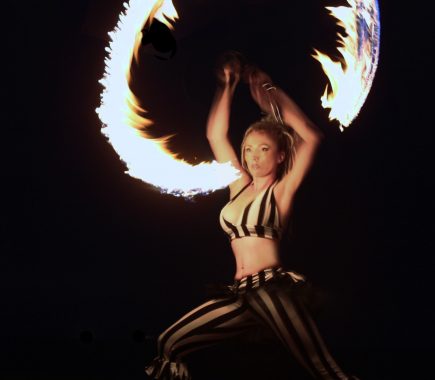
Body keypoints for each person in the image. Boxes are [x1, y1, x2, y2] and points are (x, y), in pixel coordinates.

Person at [145, 52, 359, 380]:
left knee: (323, 368)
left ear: (281, 155)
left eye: (263, 150)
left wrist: (270, 88)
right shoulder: (238, 188)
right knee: (169, 343)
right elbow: (215, 135)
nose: (253, 157)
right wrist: (227, 86)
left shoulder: (281, 191)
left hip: (272, 291)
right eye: (248, 149)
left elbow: (312, 135)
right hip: (239, 293)